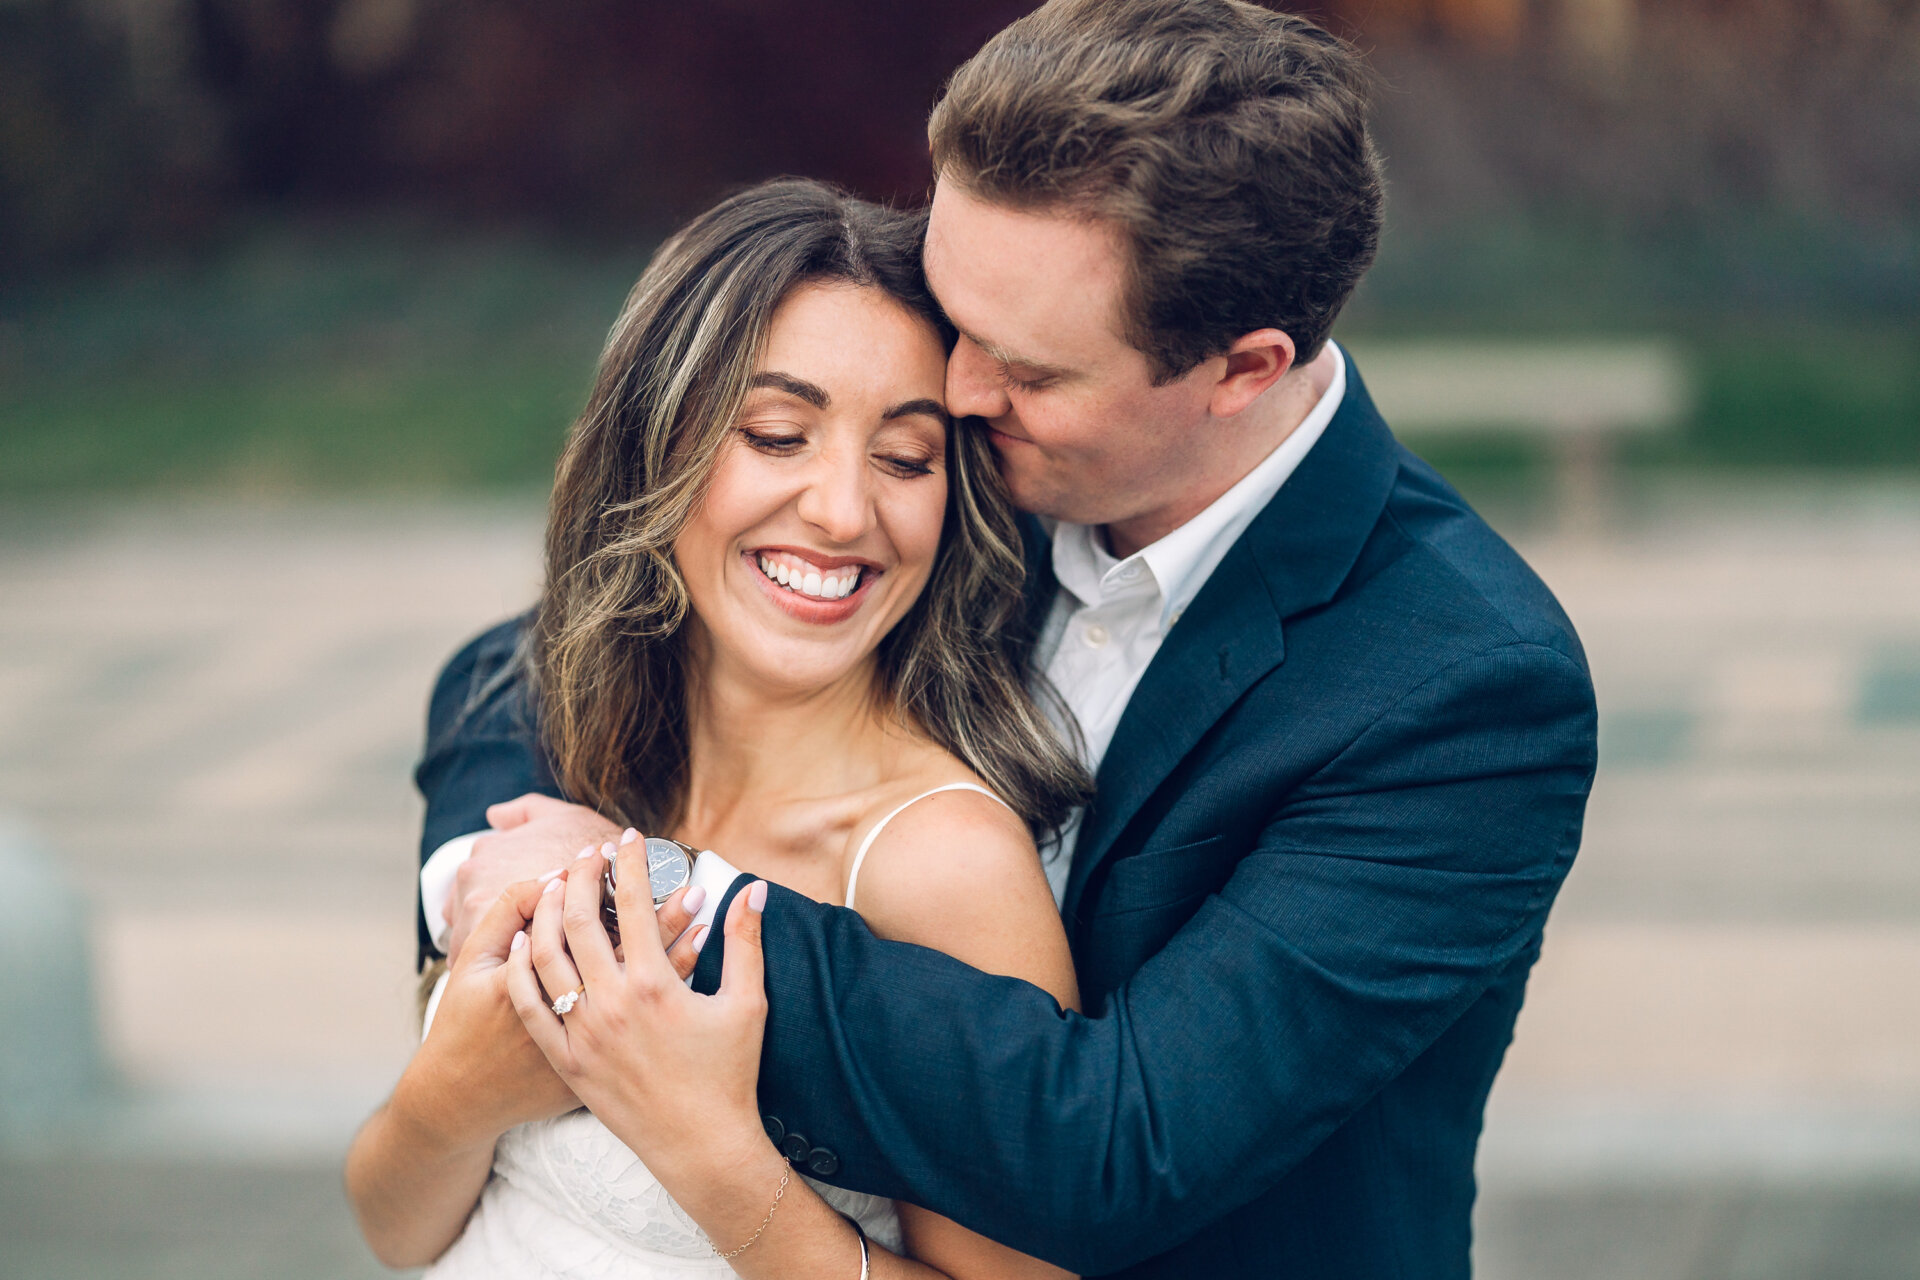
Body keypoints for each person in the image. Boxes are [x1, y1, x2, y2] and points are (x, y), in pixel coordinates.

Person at [414, 2, 1599, 1277]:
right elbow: (537, 654)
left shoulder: (1463, 688)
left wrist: (666, 900)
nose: (961, 389)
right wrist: (479, 876)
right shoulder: (963, 464)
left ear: (1244, 368)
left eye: (1027, 369)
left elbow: (1117, 1145)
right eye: (953, 308)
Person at [345, 177, 1094, 1279]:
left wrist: (703, 1144)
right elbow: (394, 1226)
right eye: (777, 434)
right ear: (654, 448)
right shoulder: (578, 768)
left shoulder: (940, 863)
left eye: (904, 457)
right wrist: (458, 1092)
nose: (844, 510)